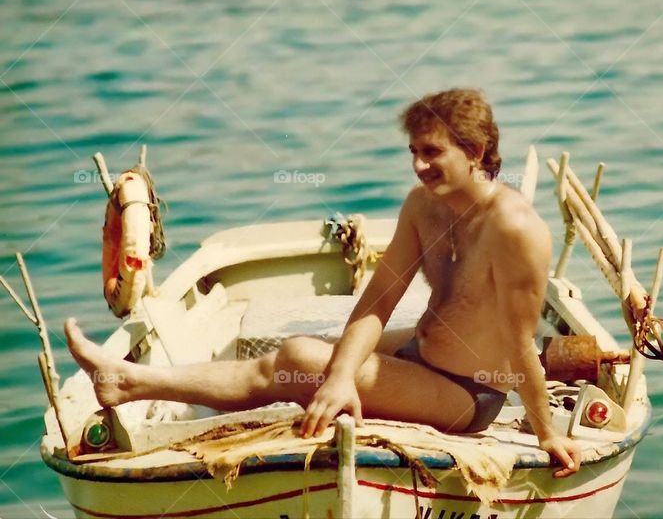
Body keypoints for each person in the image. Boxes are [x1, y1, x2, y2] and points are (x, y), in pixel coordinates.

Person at [65, 88, 582, 478]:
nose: (419, 166)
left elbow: (519, 345)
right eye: (414, 152)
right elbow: (379, 299)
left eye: (433, 153)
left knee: (299, 358)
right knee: (292, 366)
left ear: (474, 150)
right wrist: (340, 378)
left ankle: (129, 382)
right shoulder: (423, 206)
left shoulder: (514, 230)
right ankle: (128, 382)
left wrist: (545, 434)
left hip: (469, 395)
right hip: (422, 352)